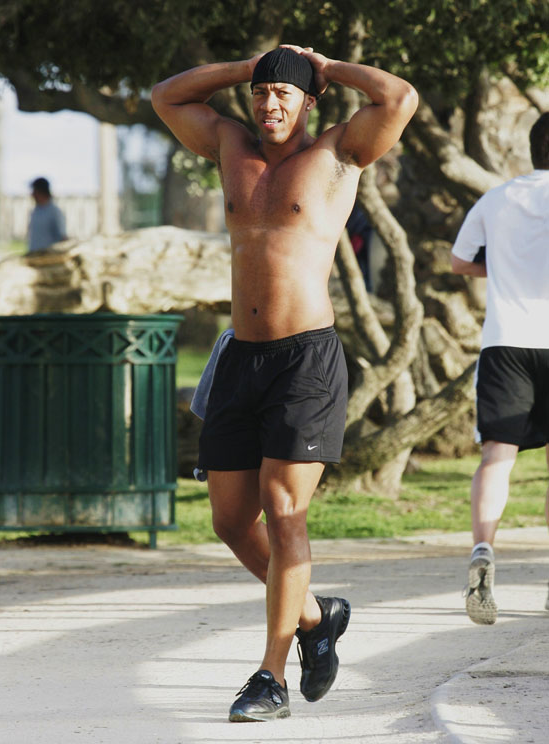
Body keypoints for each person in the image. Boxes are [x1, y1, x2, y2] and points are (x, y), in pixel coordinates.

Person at [152, 44, 417, 721]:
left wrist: (326, 66)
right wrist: (245, 69)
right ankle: (316, 616)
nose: (269, 105)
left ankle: (269, 677)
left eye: (283, 94)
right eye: (262, 93)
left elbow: (399, 98)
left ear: (308, 102)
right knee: (231, 521)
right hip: (241, 357)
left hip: (306, 359)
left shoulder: (337, 154)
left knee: (281, 502)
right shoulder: (228, 144)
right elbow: (166, 97)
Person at [451, 112, 549, 626]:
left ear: (533, 150)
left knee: (497, 457)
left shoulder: (498, 197)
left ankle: (483, 551)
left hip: (506, 343)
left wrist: (506, 264)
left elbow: (460, 262)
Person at [27, 177, 67, 253]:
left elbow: (62, 238)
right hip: (34, 257)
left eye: (34, 191)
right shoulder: (36, 211)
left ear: (41, 192)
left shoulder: (54, 212)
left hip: (48, 259)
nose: (32, 194)